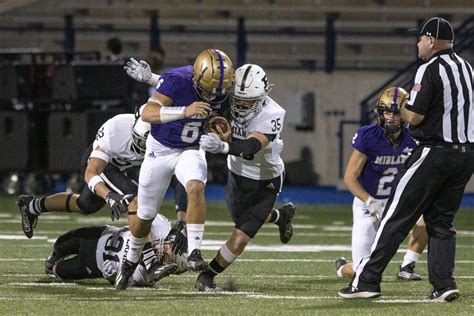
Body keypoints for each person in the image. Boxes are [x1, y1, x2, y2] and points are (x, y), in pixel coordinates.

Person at [339, 17, 474, 302]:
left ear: (431, 40)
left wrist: (401, 105)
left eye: (420, 39)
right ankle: (443, 284)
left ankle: (368, 280)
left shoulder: (429, 68)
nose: (417, 44)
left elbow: (414, 116)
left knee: (394, 216)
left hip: (433, 151)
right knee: (441, 222)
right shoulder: (467, 68)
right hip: (465, 154)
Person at [114, 49, 234, 290]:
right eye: (209, 90)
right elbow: (147, 112)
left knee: (196, 185)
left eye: (219, 91)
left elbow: (222, 124)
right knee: (145, 214)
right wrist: (184, 111)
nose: (214, 96)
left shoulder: (221, 90)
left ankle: (194, 251)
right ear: (197, 78)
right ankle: (130, 262)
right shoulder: (178, 79)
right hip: (160, 149)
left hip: (190, 148)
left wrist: (221, 136)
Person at [196, 64, 296, 292]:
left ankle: (207, 275)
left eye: (247, 101)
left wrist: (222, 146)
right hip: (237, 174)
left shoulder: (273, 113)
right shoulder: (225, 102)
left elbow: (250, 147)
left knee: (240, 236)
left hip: (266, 179)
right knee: (240, 218)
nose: (240, 105)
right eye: (237, 99)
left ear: (262, 96)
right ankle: (281, 216)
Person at [18, 107, 188, 238]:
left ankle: (32, 206)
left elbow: (178, 181)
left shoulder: (163, 143)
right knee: (136, 199)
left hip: (129, 165)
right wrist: (109, 196)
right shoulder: (115, 131)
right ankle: (146, 255)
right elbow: (91, 173)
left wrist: (182, 221)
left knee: (85, 205)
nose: (146, 147)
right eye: (142, 142)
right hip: (105, 165)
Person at [335, 86, 427, 280]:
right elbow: (350, 177)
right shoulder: (368, 136)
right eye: (387, 111)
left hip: (397, 200)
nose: (391, 117)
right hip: (368, 204)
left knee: (430, 216)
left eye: (396, 112)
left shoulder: (415, 137)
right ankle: (342, 268)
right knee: (363, 272)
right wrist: (370, 201)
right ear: (380, 113)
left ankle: (407, 267)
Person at [45, 214, 187, 286]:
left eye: (168, 255)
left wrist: (112, 276)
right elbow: (142, 214)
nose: (164, 249)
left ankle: (54, 266)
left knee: (57, 270)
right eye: (170, 245)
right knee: (59, 244)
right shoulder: (162, 226)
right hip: (100, 235)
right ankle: (55, 254)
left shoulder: (145, 274)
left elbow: (119, 279)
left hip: (93, 264)